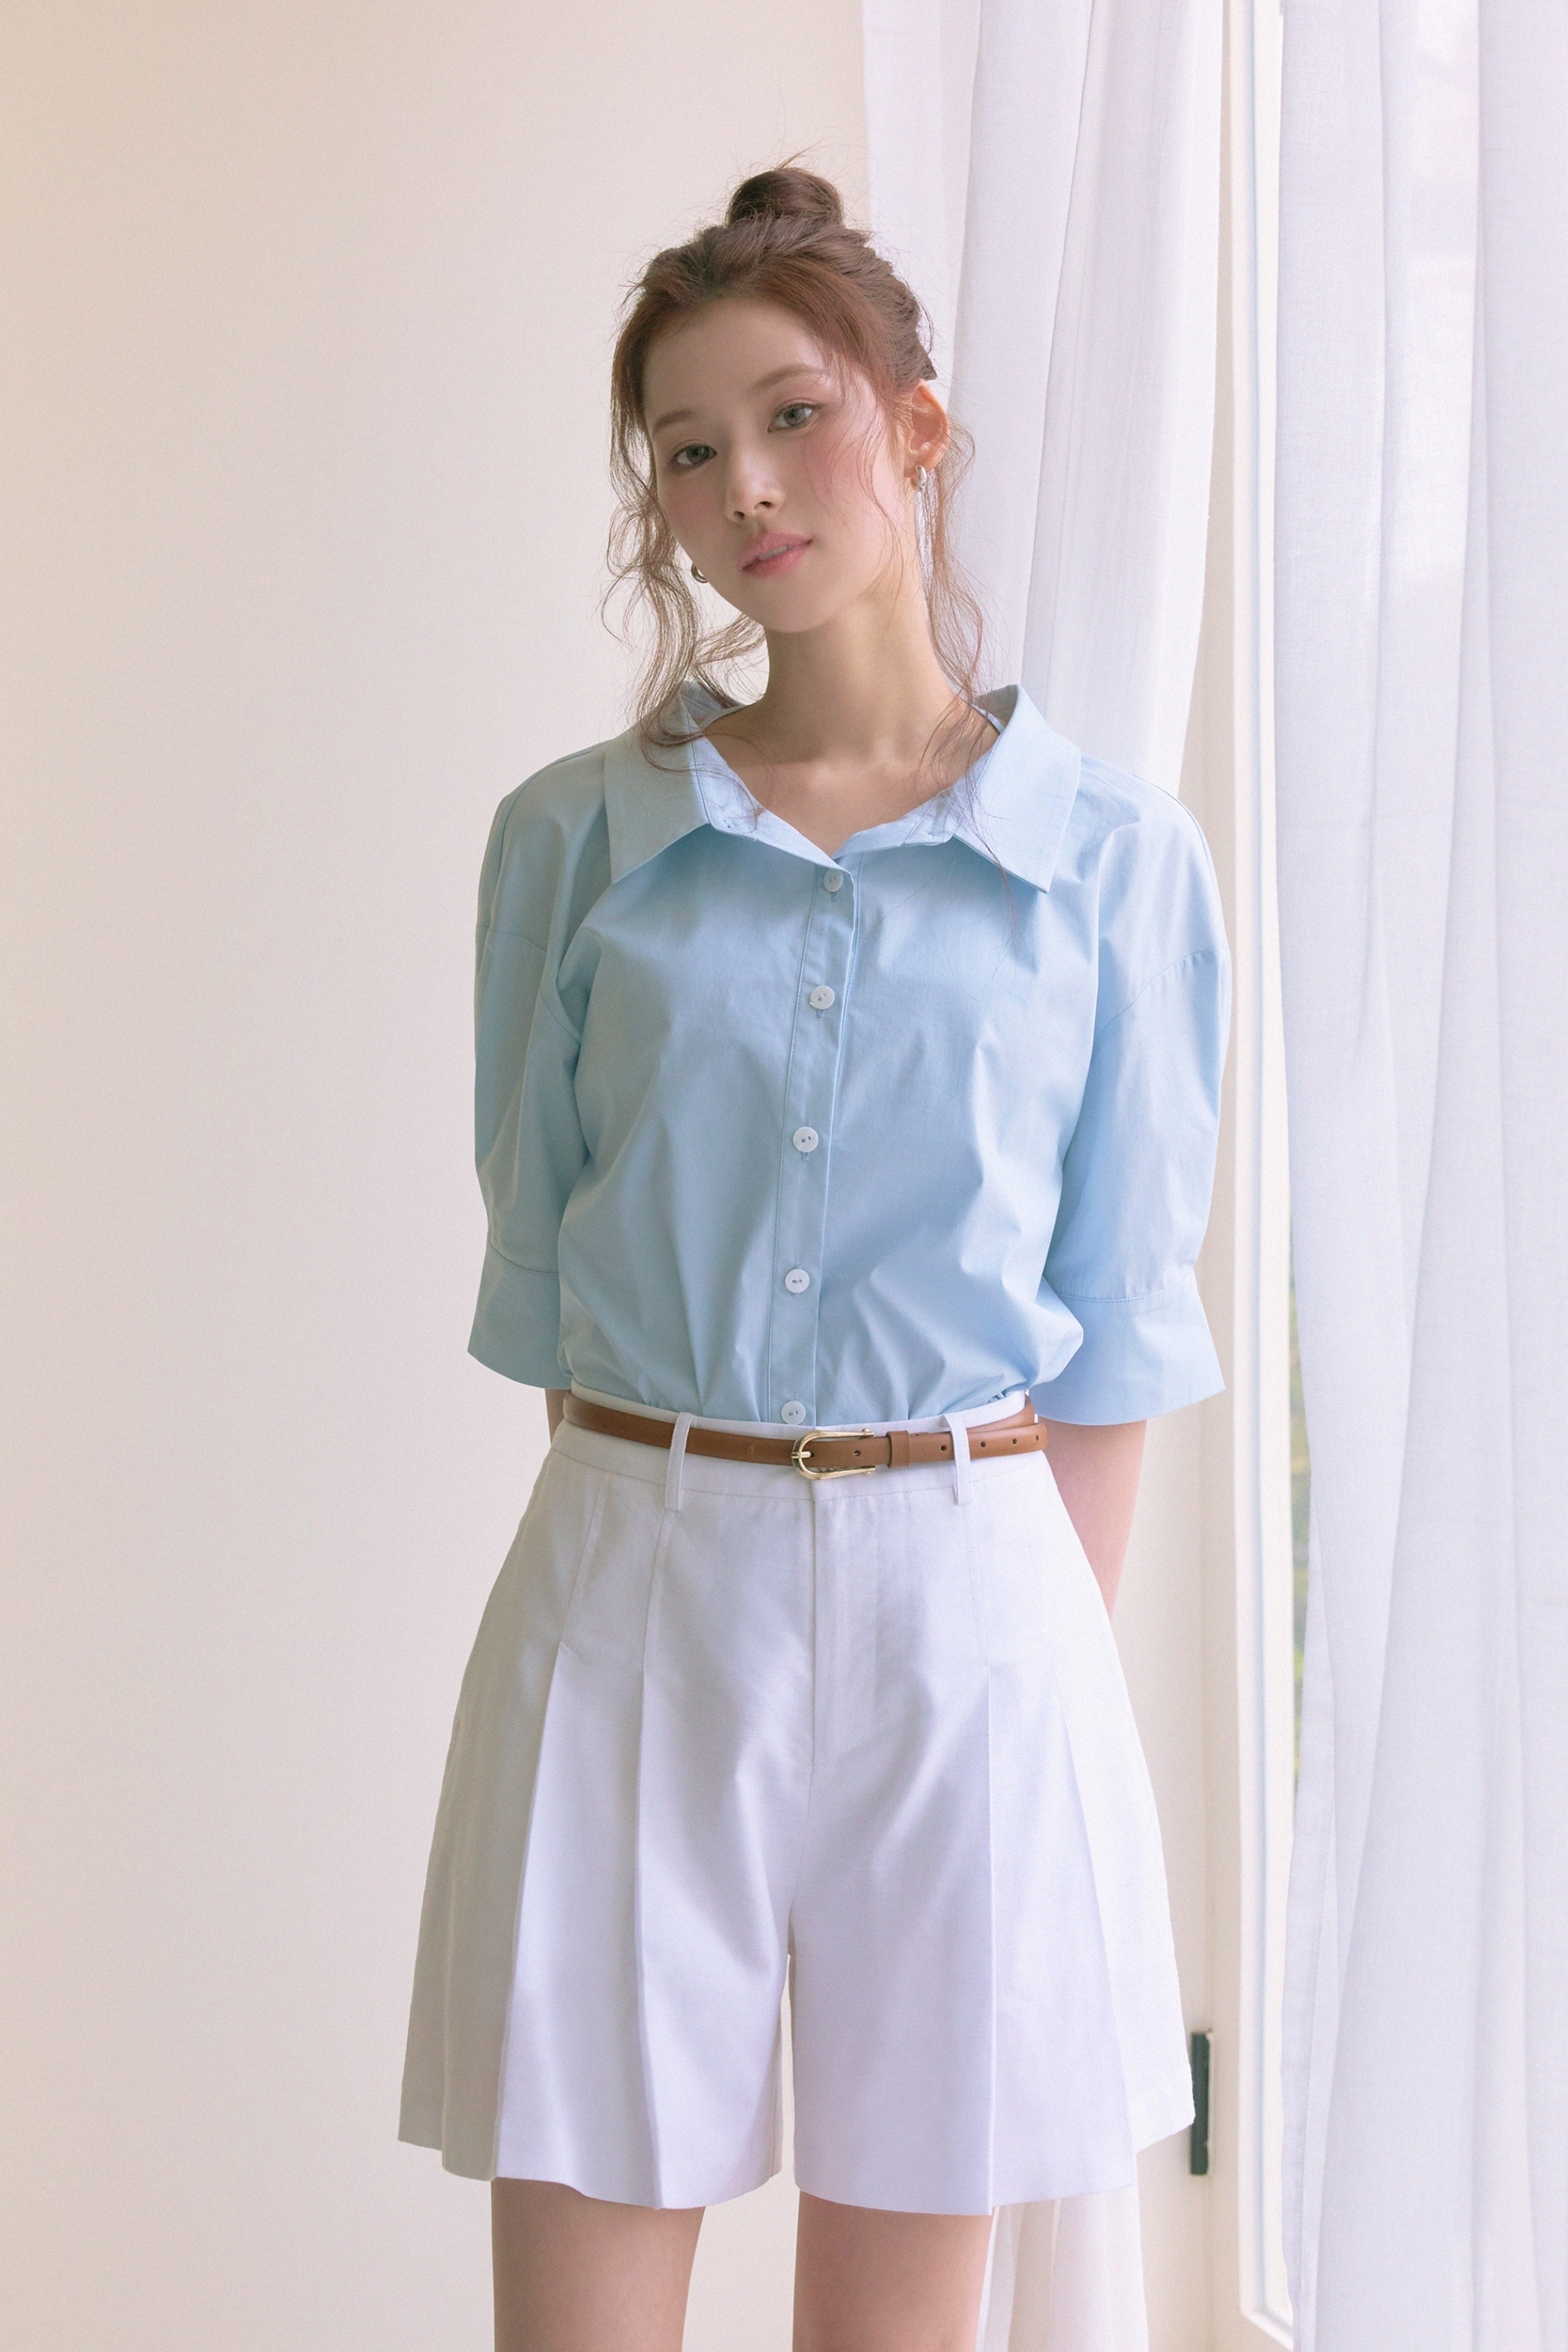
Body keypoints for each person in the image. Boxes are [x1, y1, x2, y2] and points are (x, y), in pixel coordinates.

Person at [399, 163, 1230, 2352]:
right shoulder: (573, 844)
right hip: (631, 1585)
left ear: (915, 428)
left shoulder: (1116, 866)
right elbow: (548, 1251)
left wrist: (1017, 1669)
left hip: (975, 1611)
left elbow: (1120, 1333)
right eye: (687, 451)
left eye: (792, 416)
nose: (744, 486)